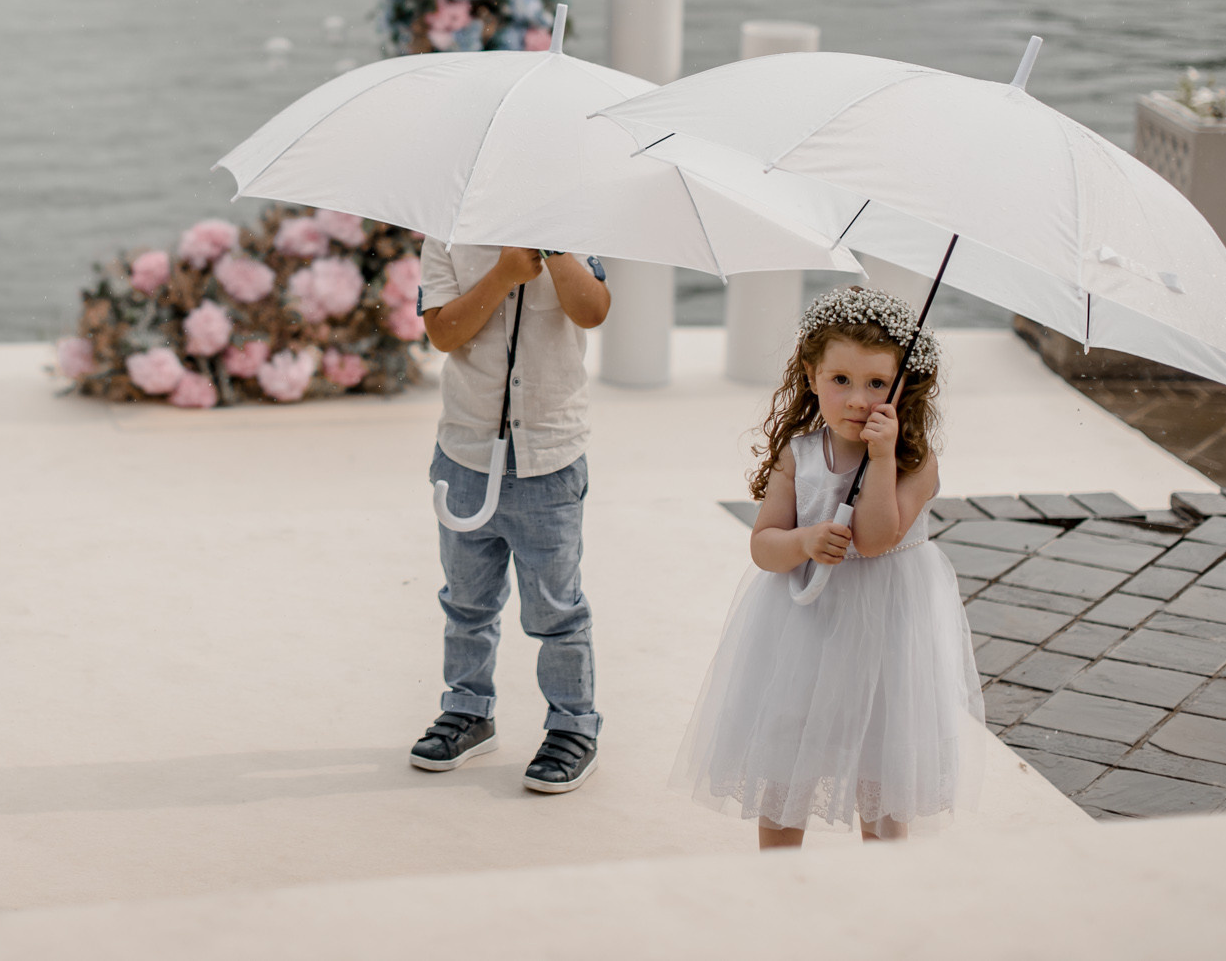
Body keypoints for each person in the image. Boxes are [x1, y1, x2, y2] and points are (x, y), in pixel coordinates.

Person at [672, 285, 982, 845]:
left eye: (876, 383)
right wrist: (805, 540)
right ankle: (780, 878)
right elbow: (763, 545)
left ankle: (882, 878)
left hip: (886, 627)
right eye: (841, 380)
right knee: (787, 749)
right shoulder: (801, 453)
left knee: (881, 756)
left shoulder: (916, 464)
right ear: (812, 376)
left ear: (903, 386)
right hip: (805, 626)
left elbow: (877, 537)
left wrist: (882, 457)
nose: (858, 399)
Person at [408, 241, 610, 793]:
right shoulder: (444, 235)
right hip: (467, 454)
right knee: (467, 600)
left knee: (556, 608)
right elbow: (444, 334)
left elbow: (592, 310)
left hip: (550, 458)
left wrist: (558, 255)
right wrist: (502, 273)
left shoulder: (573, 225)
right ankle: (468, 709)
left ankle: (573, 723)